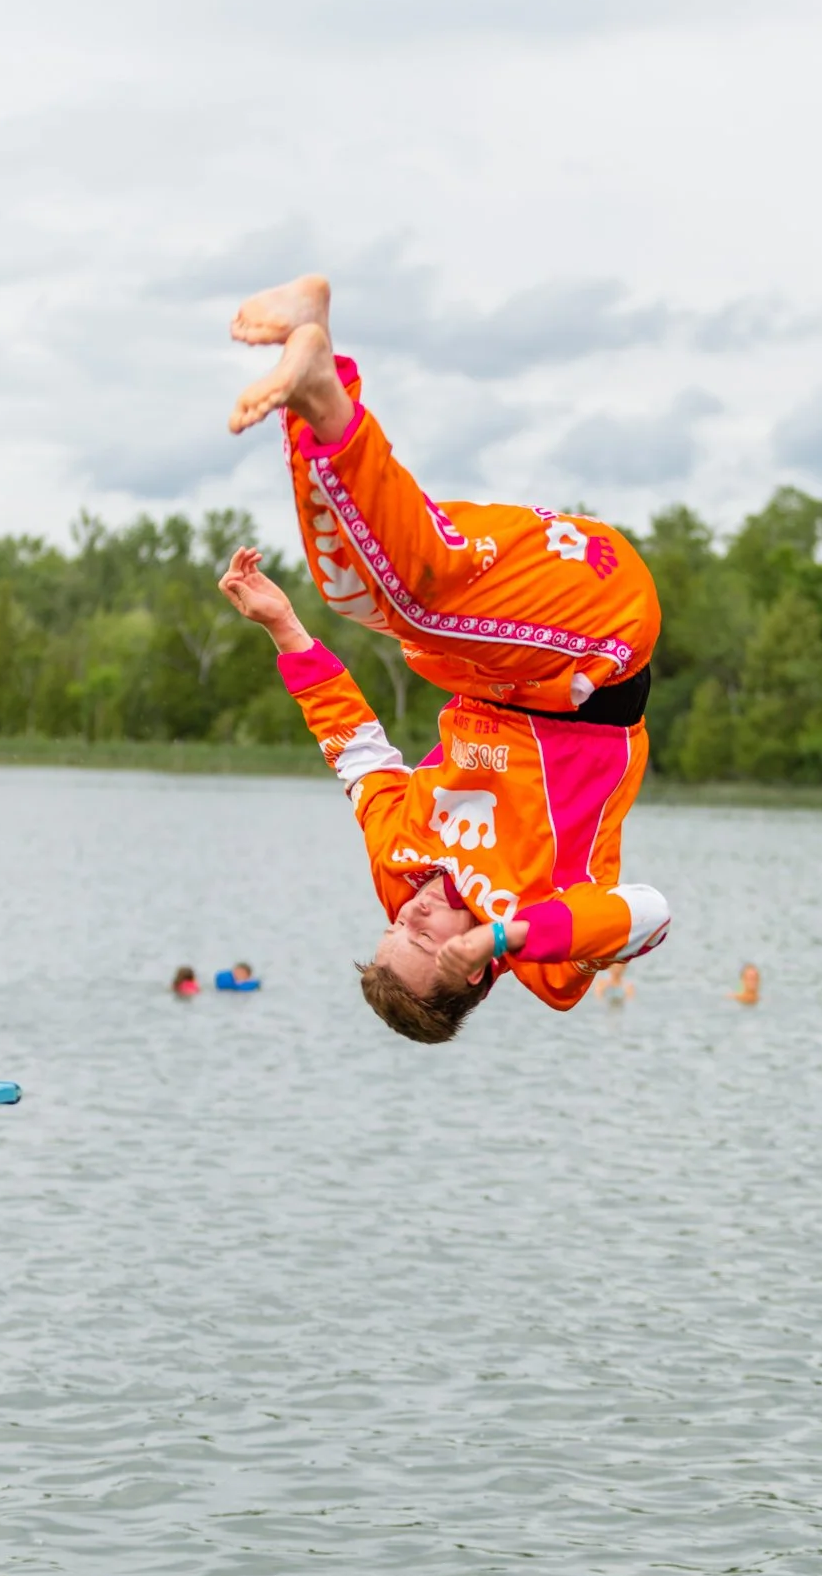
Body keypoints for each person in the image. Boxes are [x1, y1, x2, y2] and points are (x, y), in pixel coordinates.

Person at [219, 274, 670, 1045]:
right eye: (424, 936)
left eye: (398, 925)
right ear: (471, 972)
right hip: (597, 640)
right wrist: (506, 936)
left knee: (352, 595)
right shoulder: (541, 955)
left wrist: (284, 630)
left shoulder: (399, 868)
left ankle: (316, 380)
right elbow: (650, 914)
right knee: (411, 606)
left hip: (494, 658)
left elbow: (355, 752)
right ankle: (324, 393)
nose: (415, 910)